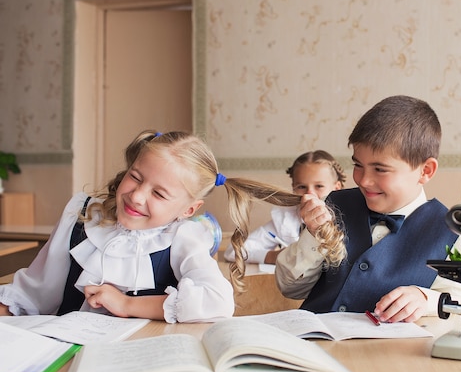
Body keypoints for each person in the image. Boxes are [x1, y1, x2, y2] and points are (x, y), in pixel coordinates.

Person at [0, 130, 346, 322]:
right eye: (135, 177)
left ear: (188, 209)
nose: (136, 197)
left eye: (160, 193)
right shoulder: (82, 214)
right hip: (61, 359)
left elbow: (216, 301)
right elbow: (32, 295)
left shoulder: (182, 235)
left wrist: (127, 304)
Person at [275, 95, 461, 323]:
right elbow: (289, 288)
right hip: (310, 345)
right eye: (358, 165)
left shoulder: (453, 234)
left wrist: (425, 298)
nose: (363, 180)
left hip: (385, 356)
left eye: (380, 169)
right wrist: (313, 238)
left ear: (425, 171)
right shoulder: (334, 207)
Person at [223, 150, 346, 270]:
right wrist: (273, 256)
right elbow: (233, 252)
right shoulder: (286, 220)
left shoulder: (350, 216)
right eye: (302, 187)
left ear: (337, 187)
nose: (310, 194)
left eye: (319, 186)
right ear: (293, 188)